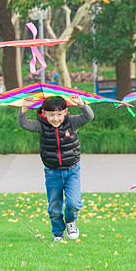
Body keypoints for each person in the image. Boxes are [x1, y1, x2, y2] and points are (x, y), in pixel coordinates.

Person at [18, 95, 94, 242]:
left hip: (72, 170)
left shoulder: (71, 123)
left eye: (59, 114)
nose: (55, 119)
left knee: (73, 203)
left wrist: (81, 104)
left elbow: (88, 117)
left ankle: (71, 221)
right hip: (52, 172)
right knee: (54, 207)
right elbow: (24, 124)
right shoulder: (41, 125)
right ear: (44, 114)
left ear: (65, 112)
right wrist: (25, 107)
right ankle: (58, 233)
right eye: (51, 115)